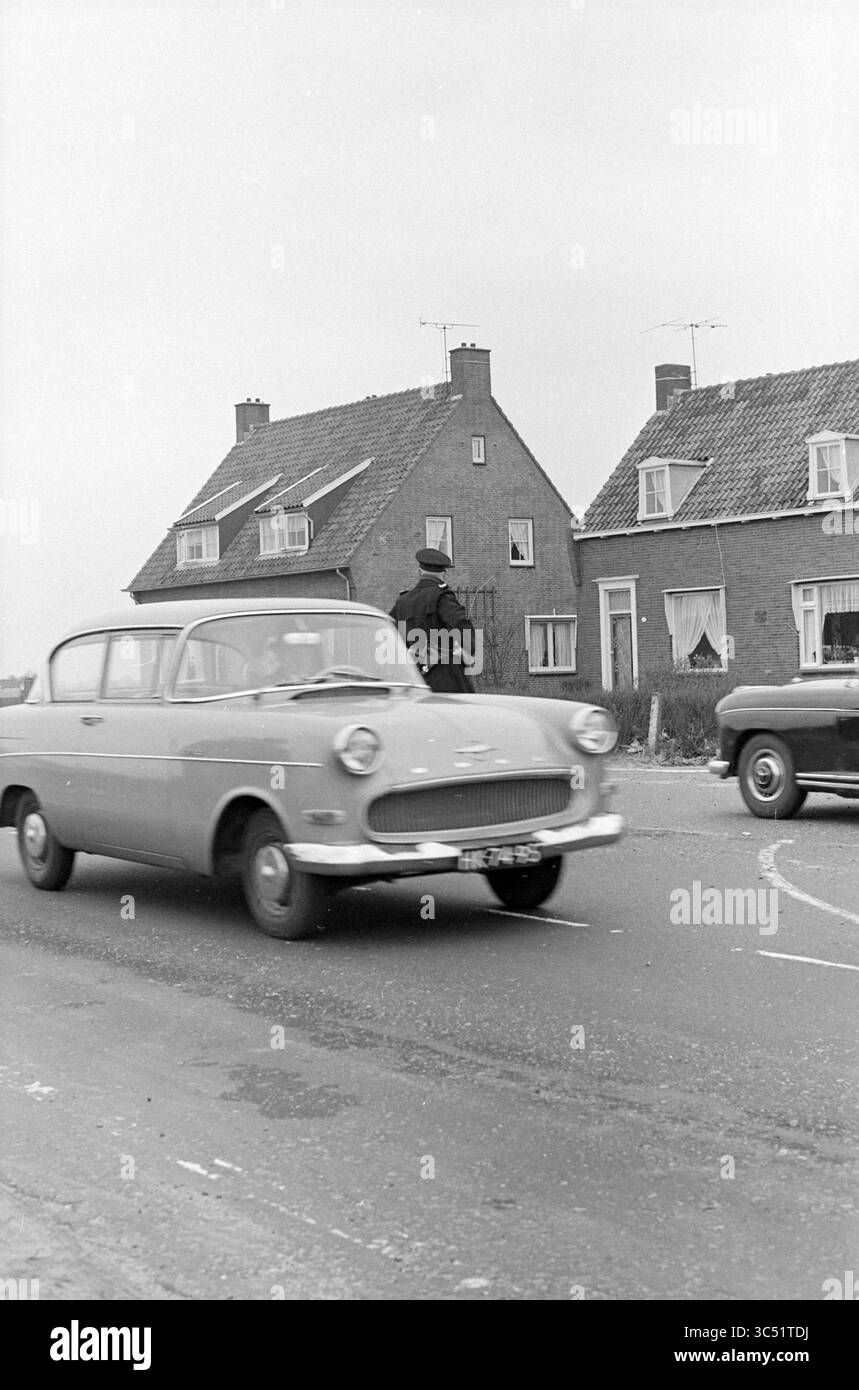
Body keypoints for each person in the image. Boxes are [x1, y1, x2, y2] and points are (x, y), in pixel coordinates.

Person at [389, 548, 476, 693]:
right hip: (446, 679)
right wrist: (468, 653)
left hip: (413, 679)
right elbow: (463, 629)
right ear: (443, 574)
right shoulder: (443, 597)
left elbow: (390, 635)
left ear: (419, 571)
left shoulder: (403, 601)